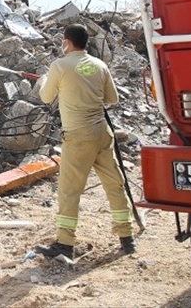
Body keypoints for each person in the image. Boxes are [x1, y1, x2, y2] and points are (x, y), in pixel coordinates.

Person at [35, 24, 135, 260]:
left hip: (78, 136)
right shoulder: (100, 65)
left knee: (70, 190)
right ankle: (127, 238)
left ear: (67, 42)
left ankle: (65, 243)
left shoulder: (59, 66)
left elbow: (46, 97)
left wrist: (44, 81)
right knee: (114, 184)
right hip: (102, 133)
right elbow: (112, 98)